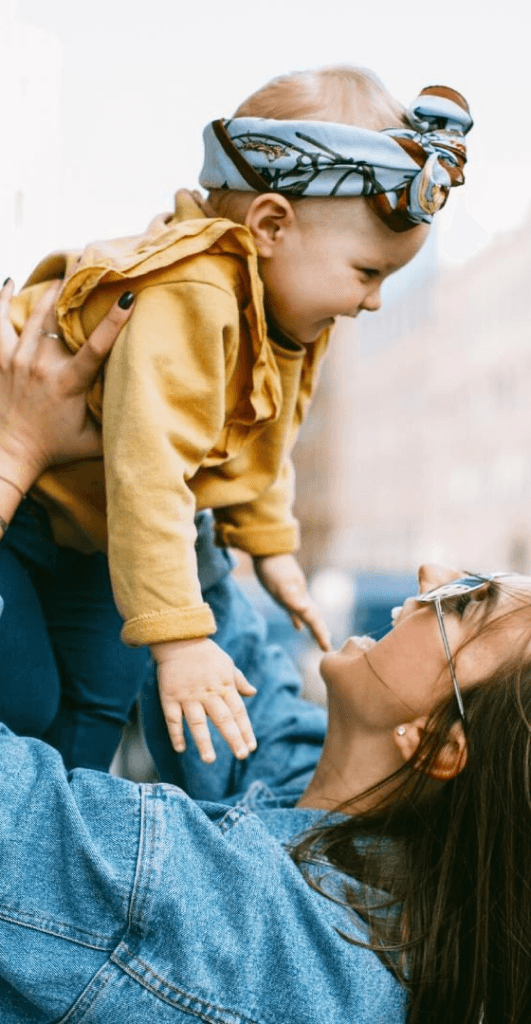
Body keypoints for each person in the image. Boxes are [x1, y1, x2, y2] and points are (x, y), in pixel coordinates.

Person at [0, 283, 530, 1024]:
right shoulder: (335, 815)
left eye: (466, 602)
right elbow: (219, 624)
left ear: (440, 745)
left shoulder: (235, 922)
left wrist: (16, 447)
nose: (430, 575)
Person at [6, 65, 473, 768]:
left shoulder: (279, 314)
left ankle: (51, 846)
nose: (373, 301)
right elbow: (150, 471)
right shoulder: (189, 293)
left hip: (93, 533)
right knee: (33, 700)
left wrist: (270, 544)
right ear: (271, 226)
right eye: (367, 273)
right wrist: (183, 640)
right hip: (36, 510)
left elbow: (263, 432)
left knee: (105, 691)